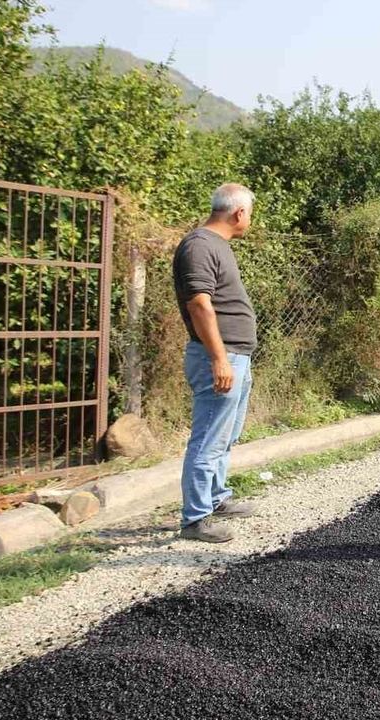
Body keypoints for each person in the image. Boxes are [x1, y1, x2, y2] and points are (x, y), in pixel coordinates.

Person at [171, 183, 259, 542]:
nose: (250, 221)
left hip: (236, 355)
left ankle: (217, 498)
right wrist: (219, 359)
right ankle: (195, 519)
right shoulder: (200, 246)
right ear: (239, 213)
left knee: (225, 436)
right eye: (250, 214)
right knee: (208, 438)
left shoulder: (216, 246)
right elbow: (199, 305)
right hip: (219, 359)